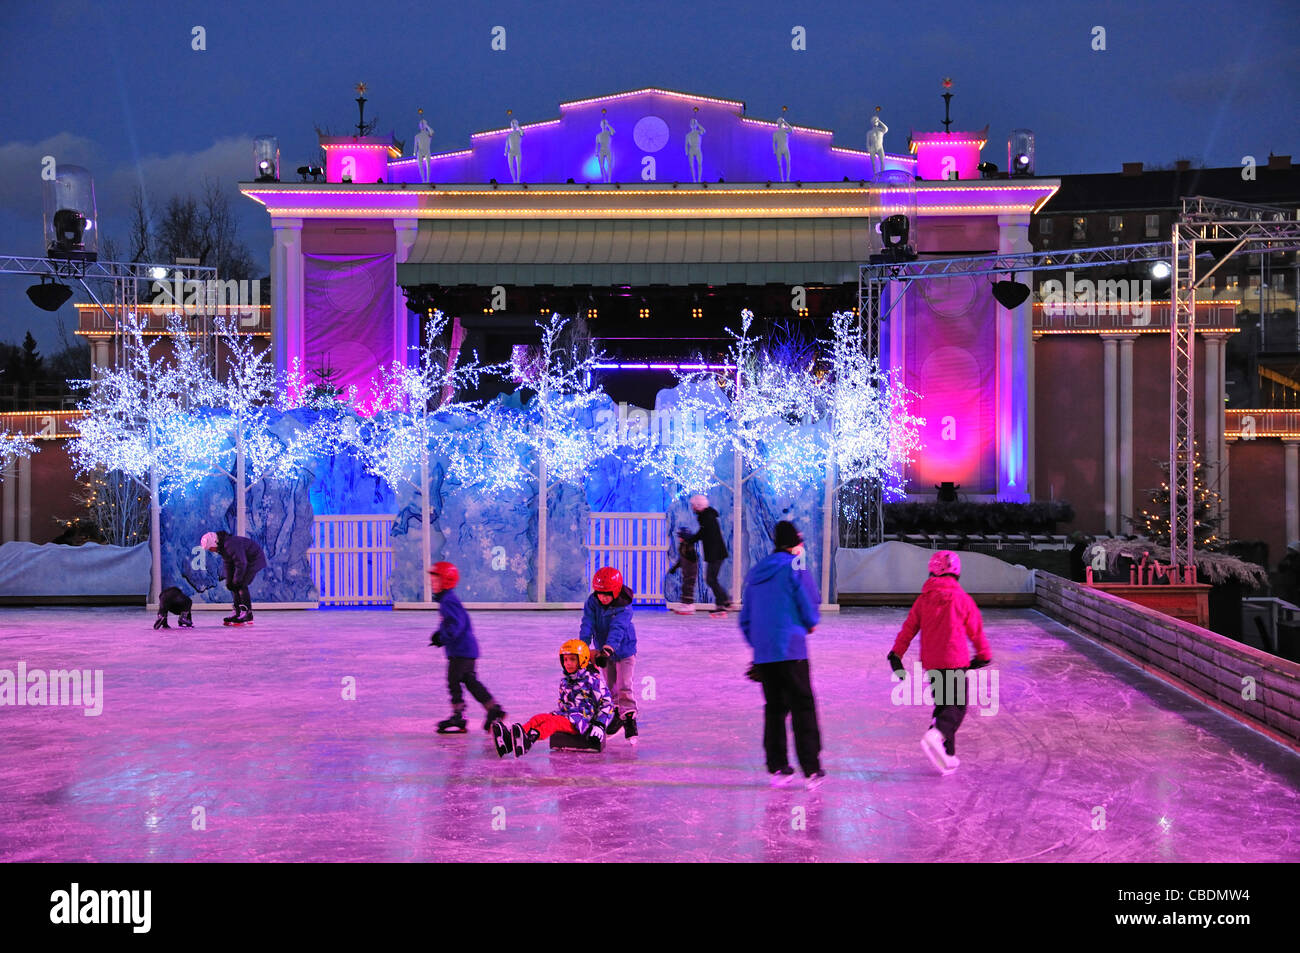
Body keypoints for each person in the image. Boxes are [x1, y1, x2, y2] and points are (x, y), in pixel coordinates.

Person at [888, 550, 993, 776]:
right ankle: (937, 734)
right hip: (955, 661)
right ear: (957, 572)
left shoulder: (924, 599)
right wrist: (983, 655)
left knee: (944, 706)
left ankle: (948, 754)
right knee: (957, 707)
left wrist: (896, 654)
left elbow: (909, 629)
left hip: (933, 663)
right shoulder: (962, 598)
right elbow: (976, 630)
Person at [739, 520, 825, 789]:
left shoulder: (755, 573)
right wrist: (810, 622)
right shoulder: (795, 568)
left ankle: (777, 767)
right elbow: (809, 604)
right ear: (795, 543)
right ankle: (810, 768)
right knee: (803, 706)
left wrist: (759, 645)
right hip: (792, 650)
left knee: (775, 708)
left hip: (765, 655)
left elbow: (745, 620)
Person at [492, 640, 615, 758]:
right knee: (539, 718)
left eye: (572, 659)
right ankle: (510, 741)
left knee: (553, 723)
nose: (568, 663)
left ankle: (530, 739)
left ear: (582, 660)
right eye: (565, 659)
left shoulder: (592, 680)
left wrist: (599, 724)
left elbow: (607, 703)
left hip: (582, 722)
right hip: (567, 716)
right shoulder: (565, 681)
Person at [428, 561, 506, 734]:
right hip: (466, 650)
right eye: (432, 581)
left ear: (446, 581)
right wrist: (439, 634)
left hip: (461, 652)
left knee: (453, 680)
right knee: (470, 681)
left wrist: (442, 637)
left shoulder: (448, 600)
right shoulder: (447, 600)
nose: (432, 584)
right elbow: (452, 623)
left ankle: (458, 715)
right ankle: (493, 709)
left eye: (436, 581)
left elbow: (456, 625)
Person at [580, 566, 640, 742]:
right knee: (611, 685)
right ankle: (617, 716)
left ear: (615, 592)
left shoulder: (625, 607)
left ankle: (629, 717)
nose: (602, 598)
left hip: (624, 650)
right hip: (604, 651)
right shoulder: (592, 602)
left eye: (606, 594)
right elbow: (587, 623)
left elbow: (617, 629)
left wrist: (607, 650)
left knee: (624, 685)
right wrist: (582, 647)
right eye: (599, 593)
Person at [200, 531, 266, 626]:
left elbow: (241, 562)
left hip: (254, 560)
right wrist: (229, 580)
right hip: (245, 561)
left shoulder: (230, 545)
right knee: (233, 584)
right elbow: (228, 563)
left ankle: (247, 613)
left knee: (241, 584)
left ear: (215, 543)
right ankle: (238, 611)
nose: (211, 551)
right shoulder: (222, 547)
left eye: (210, 548)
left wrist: (237, 579)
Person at [685, 494, 730, 616]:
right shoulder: (707, 516)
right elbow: (704, 533)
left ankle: (723, 602)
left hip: (716, 553)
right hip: (716, 553)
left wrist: (690, 540)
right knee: (711, 579)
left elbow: (703, 533)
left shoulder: (707, 517)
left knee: (711, 579)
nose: (692, 508)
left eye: (693, 505)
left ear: (698, 506)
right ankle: (724, 600)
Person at [669, 528, 700, 615]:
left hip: (691, 572)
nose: (679, 539)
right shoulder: (683, 546)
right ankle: (685, 603)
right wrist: (675, 568)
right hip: (686, 572)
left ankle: (690, 605)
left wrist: (691, 560)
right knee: (685, 586)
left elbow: (693, 558)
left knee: (688, 586)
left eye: (681, 537)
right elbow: (681, 560)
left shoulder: (689, 546)